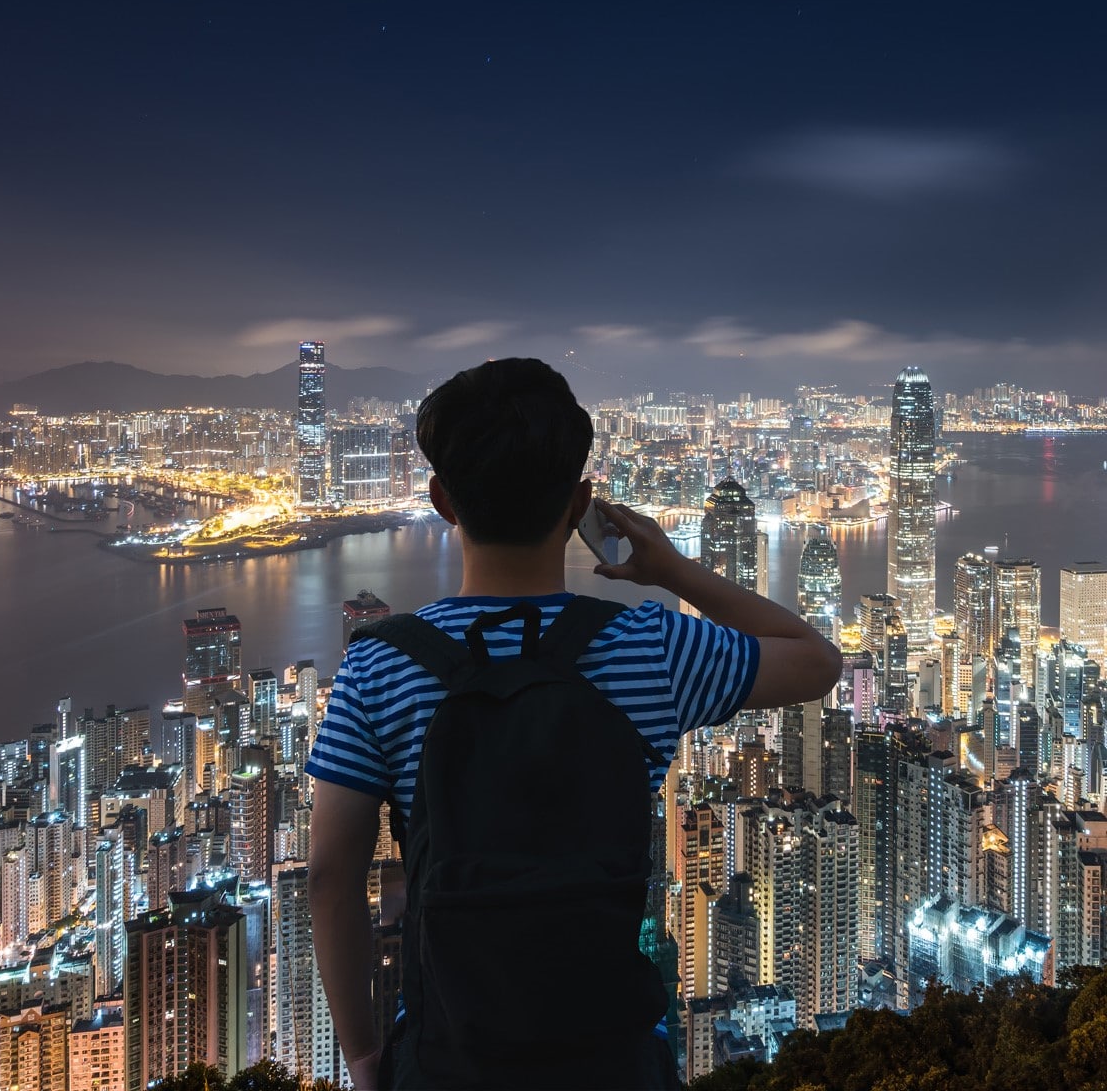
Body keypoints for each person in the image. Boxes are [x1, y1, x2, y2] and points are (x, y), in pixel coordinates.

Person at [306, 357, 841, 1090]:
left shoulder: (378, 669)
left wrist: (367, 1063)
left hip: (446, 1061)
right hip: (610, 1060)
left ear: (442, 501)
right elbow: (816, 660)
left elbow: (330, 878)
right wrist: (673, 570)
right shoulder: (649, 648)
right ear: (580, 503)